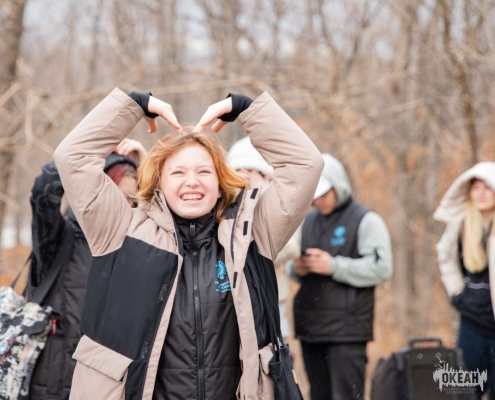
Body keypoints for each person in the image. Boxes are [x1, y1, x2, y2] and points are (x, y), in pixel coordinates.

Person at [53, 87, 323, 399]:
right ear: (159, 182)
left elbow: (305, 166)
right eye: (178, 172)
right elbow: (73, 157)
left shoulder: (253, 232)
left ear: (220, 183)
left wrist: (250, 112)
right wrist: (134, 106)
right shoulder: (120, 229)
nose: (192, 181)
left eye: (204, 171)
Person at [27, 141, 144, 400]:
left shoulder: (138, 249)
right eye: (115, 196)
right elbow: (43, 191)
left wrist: (144, 166)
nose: (124, 207)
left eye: (131, 200)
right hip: (53, 389)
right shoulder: (59, 239)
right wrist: (96, 150)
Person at [290, 153, 393, 400]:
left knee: (347, 395)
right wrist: (298, 269)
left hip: (347, 331)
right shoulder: (307, 221)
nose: (319, 201)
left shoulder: (366, 220)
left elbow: (382, 268)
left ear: (339, 185)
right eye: (315, 196)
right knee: (318, 395)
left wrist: (334, 266)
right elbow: (289, 265)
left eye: (325, 194)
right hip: (310, 328)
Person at [433, 161, 495, 400]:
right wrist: (457, 294)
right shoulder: (461, 224)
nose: (481, 193)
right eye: (475, 188)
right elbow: (445, 256)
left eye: (487, 188)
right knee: (467, 390)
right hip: (471, 321)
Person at [227, 136, 292, 340]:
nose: (243, 178)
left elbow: (290, 246)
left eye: (250, 172)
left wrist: (260, 193)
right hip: (233, 301)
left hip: (271, 296)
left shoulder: (277, 204)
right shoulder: (226, 206)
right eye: (238, 172)